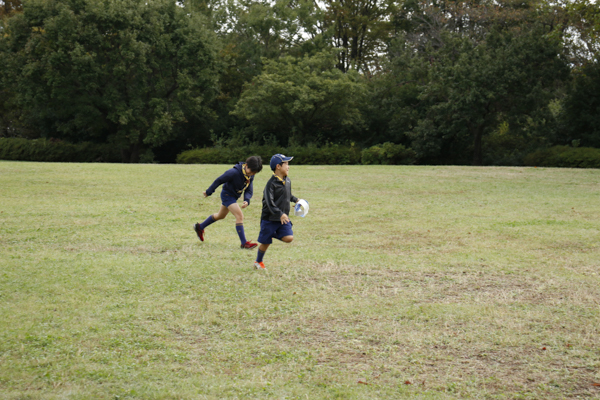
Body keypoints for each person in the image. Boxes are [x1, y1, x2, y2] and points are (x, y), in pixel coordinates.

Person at [194, 156, 263, 249]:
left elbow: (249, 188)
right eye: (251, 172)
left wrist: (247, 199)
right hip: (227, 196)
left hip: (234, 196)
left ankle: (200, 227)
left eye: (254, 173)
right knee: (240, 216)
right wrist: (208, 192)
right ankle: (244, 243)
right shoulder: (233, 172)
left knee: (220, 216)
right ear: (246, 165)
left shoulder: (251, 175)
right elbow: (219, 180)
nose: (251, 174)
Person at [254, 154, 299, 270]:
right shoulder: (271, 184)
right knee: (265, 243)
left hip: (282, 218)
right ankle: (258, 261)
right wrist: (280, 213)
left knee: (289, 238)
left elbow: (288, 195)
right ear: (278, 166)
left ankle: (272, 234)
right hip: (269, 219)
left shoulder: (287, 181)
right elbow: (269, 203)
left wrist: (296, 200)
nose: (288, 167)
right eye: (286, 164)